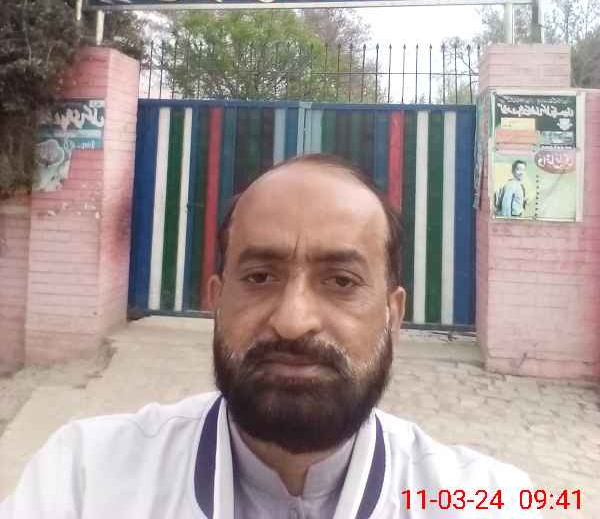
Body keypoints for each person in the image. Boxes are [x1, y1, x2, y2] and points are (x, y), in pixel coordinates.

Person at [1, 153, 531, 518]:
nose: (293, 321)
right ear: (216, 299)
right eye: (259, 277)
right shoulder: (85, 478)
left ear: (394, 314)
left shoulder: (489, 500)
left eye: (341, 282)